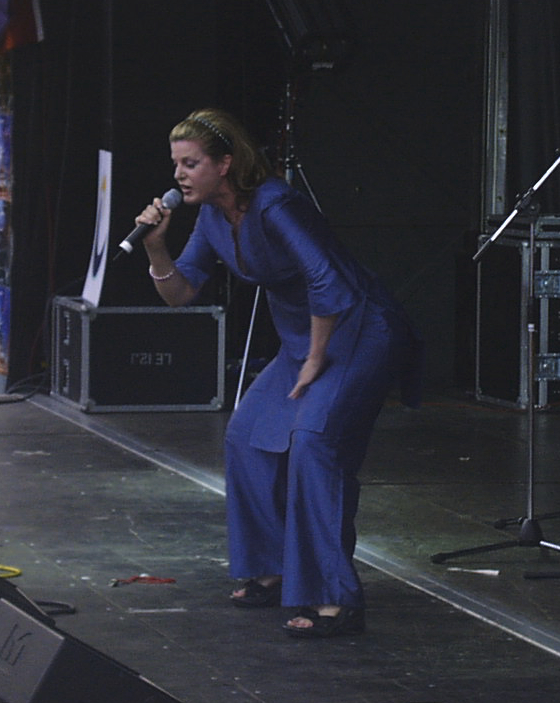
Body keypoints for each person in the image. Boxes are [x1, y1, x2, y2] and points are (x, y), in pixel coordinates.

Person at [134, 108, 422, 638]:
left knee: (314, 442)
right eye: (176, 163)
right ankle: (273, 568)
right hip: (304, 338)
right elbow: (181, 293)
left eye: (190, 162)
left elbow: (324, 278)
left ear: (224, 163)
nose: (178, 174)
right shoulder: (213, 219)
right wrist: (155, 246)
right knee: (247, 436)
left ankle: (334, 597)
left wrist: (316, 357)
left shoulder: (277, 204)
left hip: (356, 329)